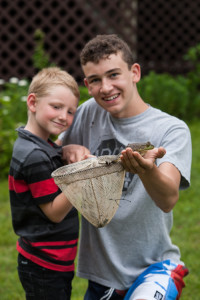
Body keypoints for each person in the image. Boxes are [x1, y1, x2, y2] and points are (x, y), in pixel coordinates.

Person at [60, 35, 192, 300]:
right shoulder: (86, 114)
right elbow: (49, 155)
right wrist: (64, 150)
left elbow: (167, 199)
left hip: (154, 267)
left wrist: (147, 170)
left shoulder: (171, 129)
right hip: (101, 274)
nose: (106, 87)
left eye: (113, 75)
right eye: (95, 80)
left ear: (135, 72)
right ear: (86, 84)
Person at [8, 67, 81, 300]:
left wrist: (66, 150)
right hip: (44, 264)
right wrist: (81, 176)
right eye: (57, 107)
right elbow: (54, 213)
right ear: (32, 102)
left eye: (71, 112)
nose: (64, 117)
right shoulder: (35, 156)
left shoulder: (40, 146)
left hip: (51, 260)